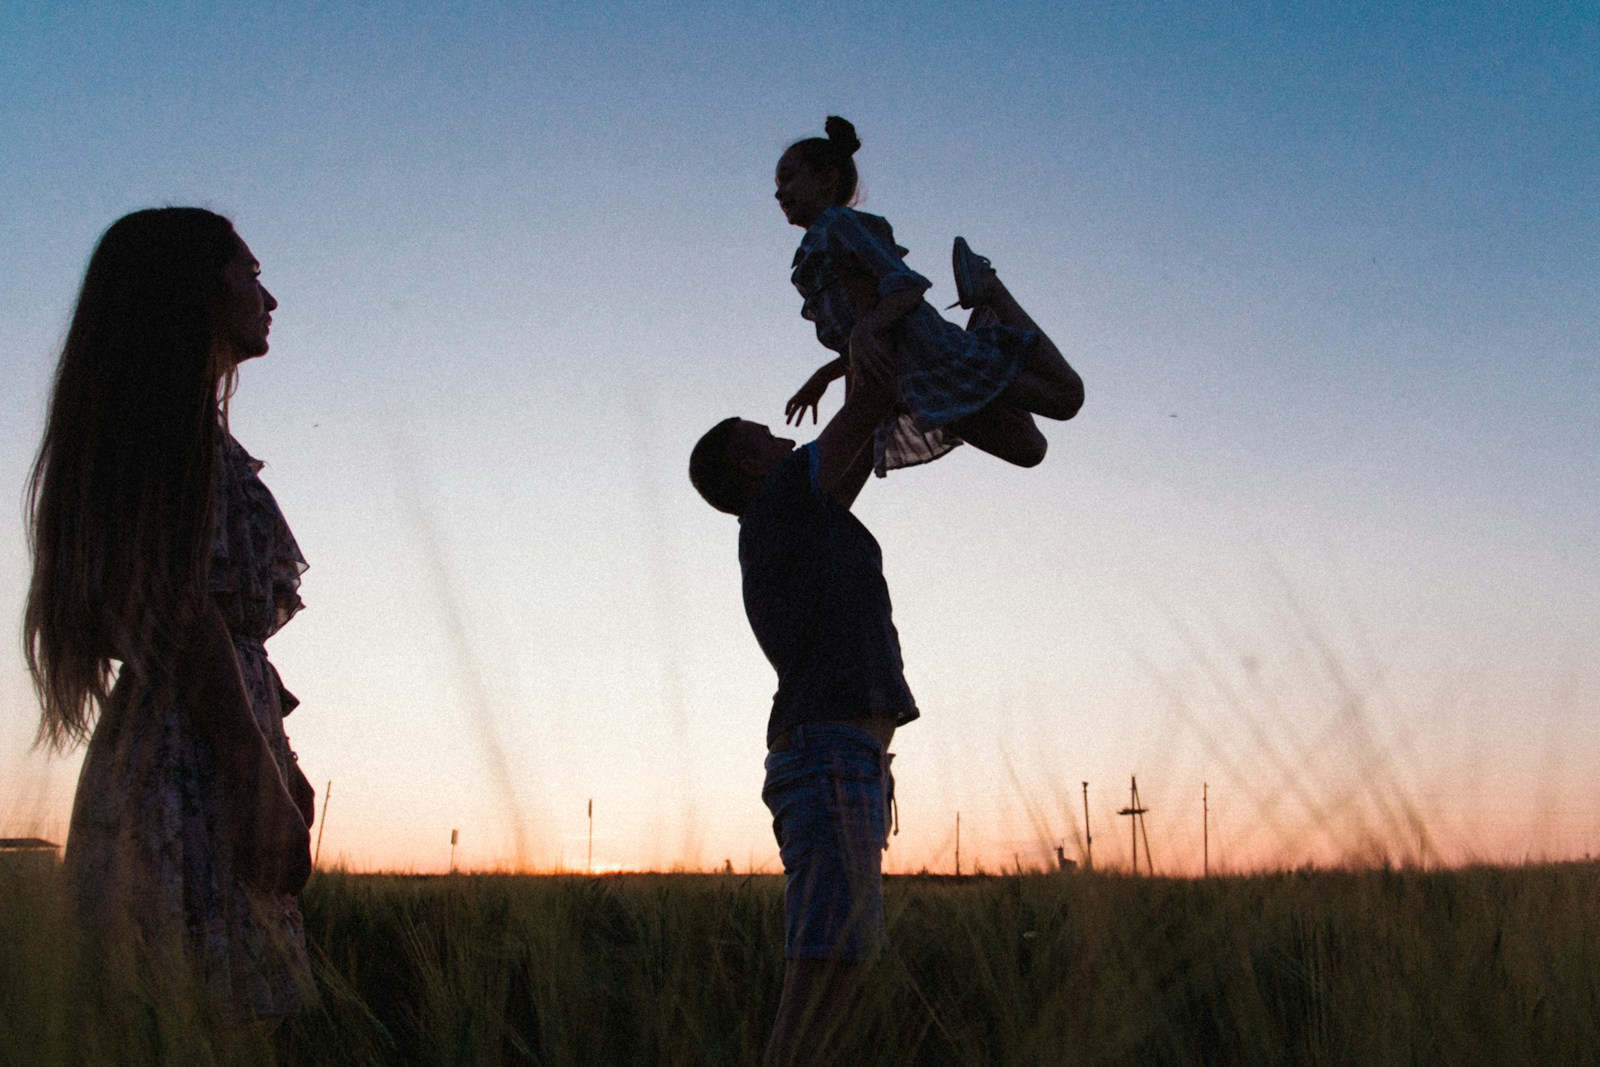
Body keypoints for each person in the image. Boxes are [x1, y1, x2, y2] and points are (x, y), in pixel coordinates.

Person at [24, 208, 316, 1018]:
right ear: (193, 291)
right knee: (199, 1017)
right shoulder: (162, 435)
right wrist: (250, 765)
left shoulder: (180, 434)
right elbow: (179, 610)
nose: (269, 298)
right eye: (249, 274)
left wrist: (279, 757)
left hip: (209, 740)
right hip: (191, 761)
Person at [690, 341, 912, 1065]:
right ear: (752, 466)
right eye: (768, 435)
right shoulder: (784, 499)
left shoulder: (798, 515)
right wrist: (854, 346)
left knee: (838, 978)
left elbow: (867, 419)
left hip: (844, 758)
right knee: (821, 985)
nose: (786, 438)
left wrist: (846, 364)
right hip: (829, 760)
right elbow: (872, 401)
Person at [778, 115, 1085, 475]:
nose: (779, 192)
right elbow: (865, 342)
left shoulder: (841, 225)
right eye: (778, 184)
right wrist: (825, 375)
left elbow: (906, 285)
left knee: (1067, 398)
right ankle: (987, 344)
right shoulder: (809, 259)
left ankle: (989, 287)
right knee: (1030, 450)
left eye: (789, 177)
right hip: (915, 383)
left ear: (826, 178)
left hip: (936, 355)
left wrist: (866, 331)